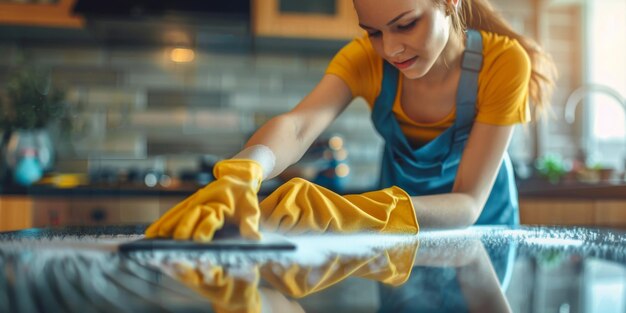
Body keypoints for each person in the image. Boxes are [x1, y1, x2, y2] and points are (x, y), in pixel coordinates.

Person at [145, 0, 557, 241]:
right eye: (374, 32)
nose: (390, 48)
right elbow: (298, 126)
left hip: (482, 236)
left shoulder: (503, 64)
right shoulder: (364, 60)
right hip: (395, 237)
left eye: (406, 24)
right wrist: (246, 169)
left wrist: (348, 210)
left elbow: (467, 204)